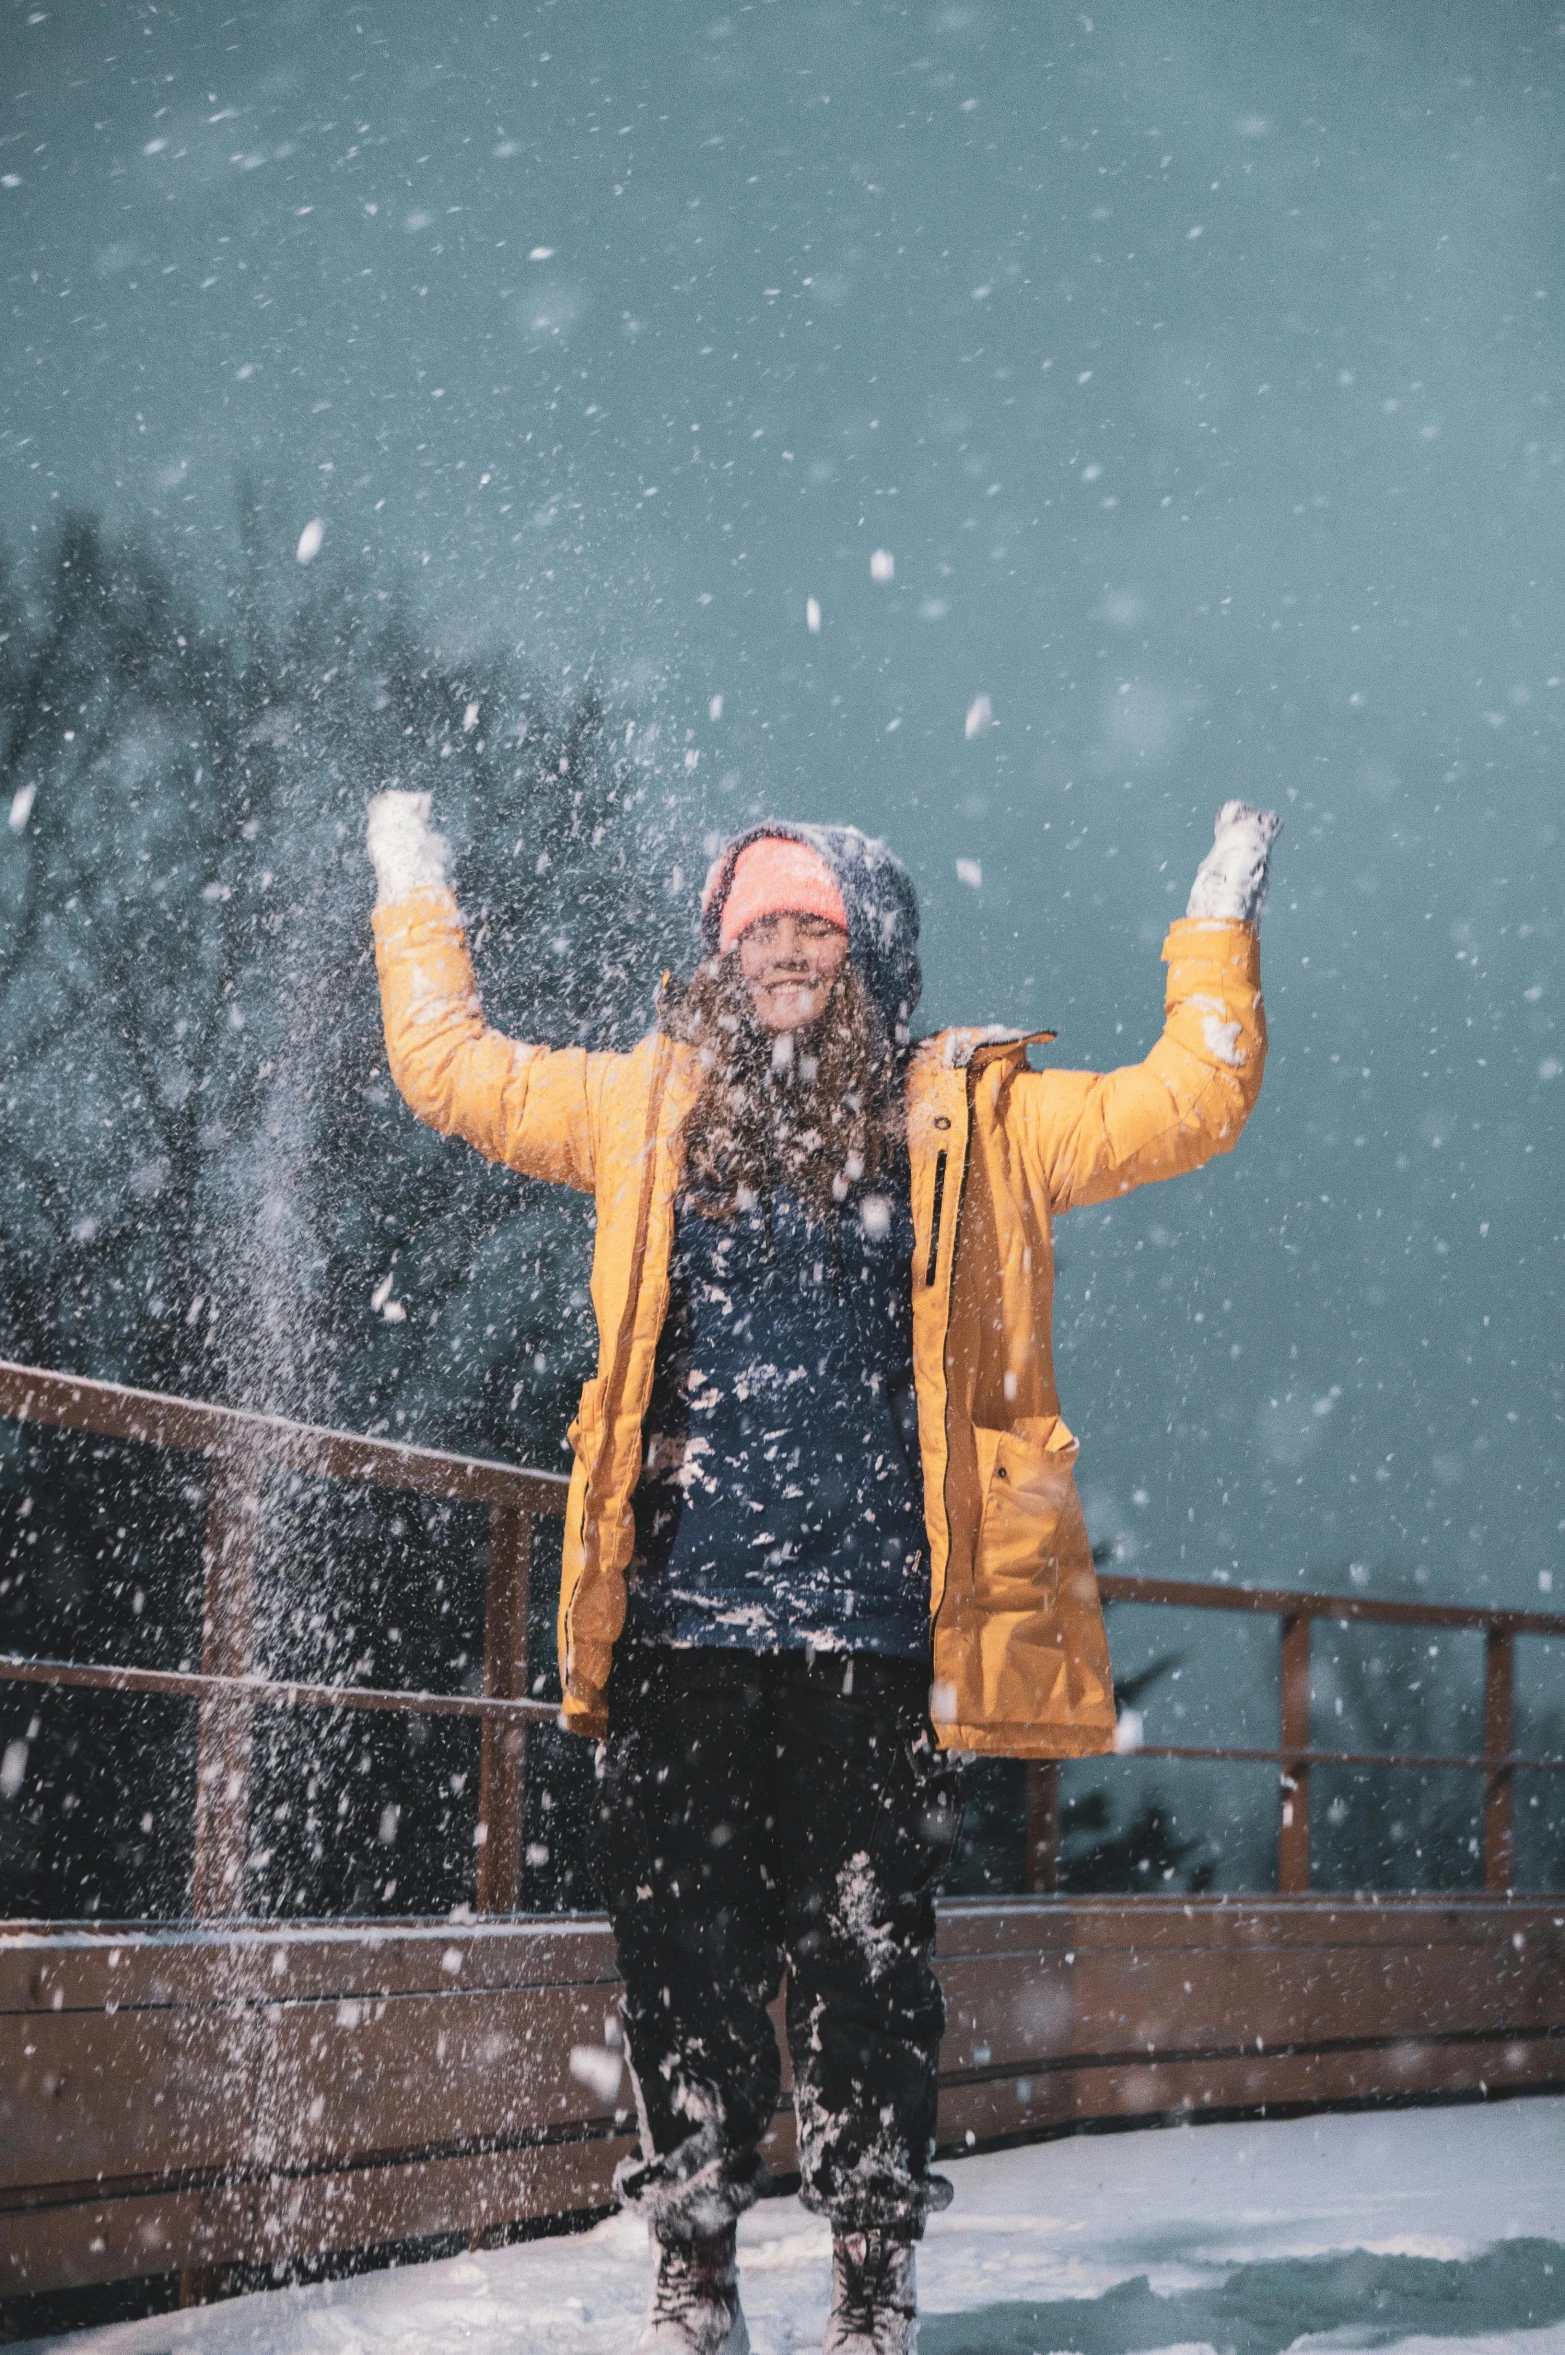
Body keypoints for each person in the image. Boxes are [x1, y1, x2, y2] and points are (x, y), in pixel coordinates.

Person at [366, 792, 1279, 2353]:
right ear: (721, 958)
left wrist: (1216, 924)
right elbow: (448, 1068)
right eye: (757, 928)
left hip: (868, 1641)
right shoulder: (644, 1105)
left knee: (869, 1973)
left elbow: (1189, 1100)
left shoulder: (971, 1120)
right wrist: (412, 888)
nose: (784, 951)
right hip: (677, 1632)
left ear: (874, 955)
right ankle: (695, 2272)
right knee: (682, 1970)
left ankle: (870, 2284)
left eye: (816, 928)